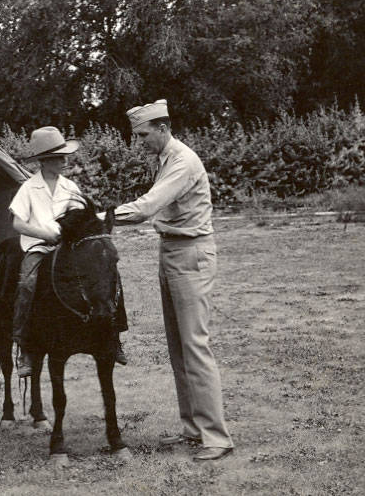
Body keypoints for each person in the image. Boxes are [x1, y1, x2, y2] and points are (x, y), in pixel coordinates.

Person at [113, 99, 234, 461]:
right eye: (137, 136)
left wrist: (97, 217)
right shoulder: (165, 158)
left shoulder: (182, 161)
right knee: (178, 347)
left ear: (163, 128)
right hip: (171, 251)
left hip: (191, 253)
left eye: (143, 134)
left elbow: (147, 207)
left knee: (194, 345)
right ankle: (194, 430)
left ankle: (217, 437)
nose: (139, 142)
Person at [9, 126, 128, 377]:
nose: (65, 161)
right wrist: (44, 234)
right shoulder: (29, 188)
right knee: (27, 283)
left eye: (64, 156)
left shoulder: (71, 187)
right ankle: (24, 346)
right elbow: (17, 223)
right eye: (59, 157)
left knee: (108, 274)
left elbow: (83, 217)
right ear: (45, 160)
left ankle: (114, 336)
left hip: (68, 246)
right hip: (38, 247)